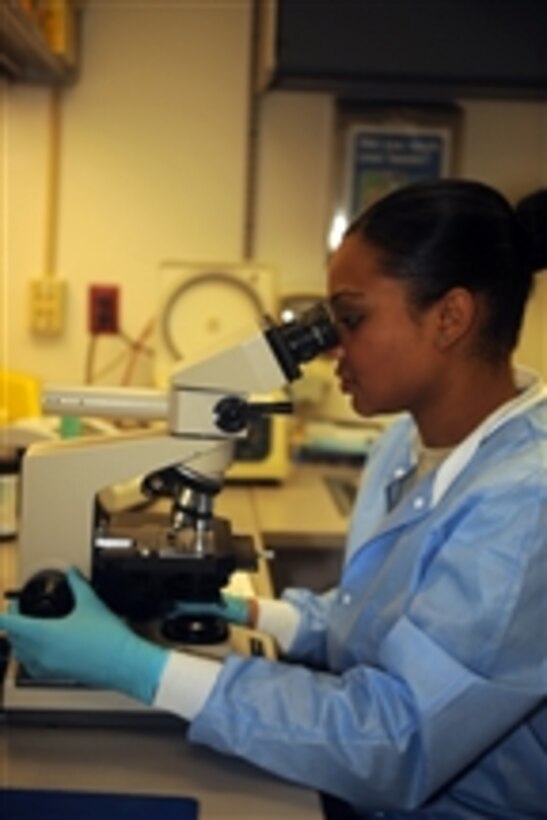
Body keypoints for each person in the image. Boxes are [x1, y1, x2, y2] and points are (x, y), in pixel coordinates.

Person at [2, 179, 547, 819]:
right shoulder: (406, 438)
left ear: (450, 317)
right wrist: (254, 613)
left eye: (351, 318)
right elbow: (375, 628)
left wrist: (141, 669)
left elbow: (396, 744)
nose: (331, 349)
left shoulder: (526, 501)